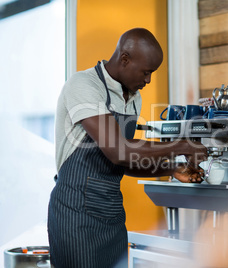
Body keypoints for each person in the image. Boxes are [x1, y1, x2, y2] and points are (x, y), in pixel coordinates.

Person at [48, 28, 208, 268]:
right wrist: (181, 146)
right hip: (75, 214)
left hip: (111, 212)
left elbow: (124, 161)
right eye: (146, 72)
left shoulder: (133, 97)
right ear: (125, 59)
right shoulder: (83, 85)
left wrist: (171, 169)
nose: (148, 80)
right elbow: (118, 149)